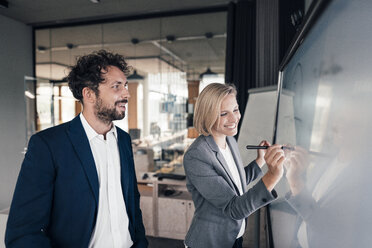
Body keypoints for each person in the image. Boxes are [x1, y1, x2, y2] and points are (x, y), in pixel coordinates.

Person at [5, 50, 148, 248]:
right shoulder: (48, 145)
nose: (126, 93)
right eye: (117, 87)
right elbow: (22, 233)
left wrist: (140, 242)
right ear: (88, 94)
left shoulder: (123, 140)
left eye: (125, 85)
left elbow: (132, 202)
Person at [183, 83, 285, 248]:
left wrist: (260, 161)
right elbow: (234, 208)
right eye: (224, 113)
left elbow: (235, 182)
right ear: (207, 115)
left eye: (235, 110)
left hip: (234, 239)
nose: (234, 119)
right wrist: (272, 176)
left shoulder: (229, 139)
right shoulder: (197, 156)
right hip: (210, 243)